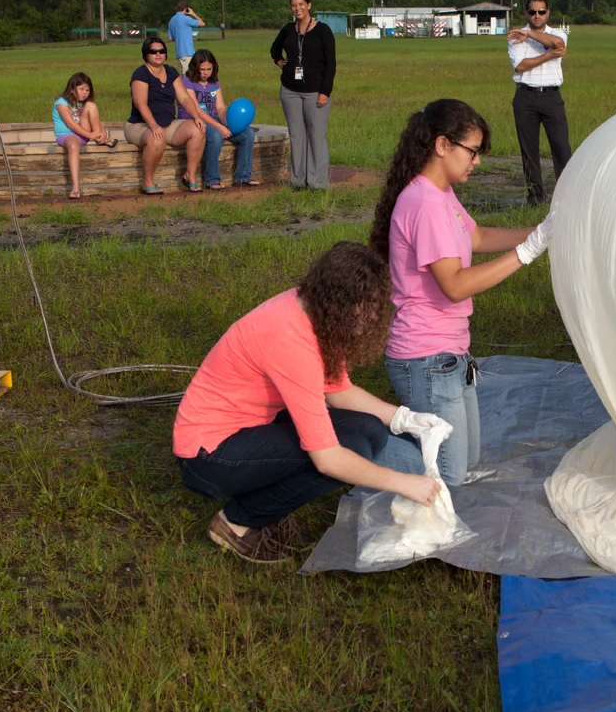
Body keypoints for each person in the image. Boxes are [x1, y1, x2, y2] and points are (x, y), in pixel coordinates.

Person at [175, 241, 453, 563]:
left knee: (371, 432)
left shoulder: (312, 310)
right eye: (367, 308)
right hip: (209, 456)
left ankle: (257, 496)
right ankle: (237, 520)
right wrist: (406, 484)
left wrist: (405, 418)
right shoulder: (292, 343)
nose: (374, 317)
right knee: (348, 456)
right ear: (341, 303)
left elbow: (340, 392)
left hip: (246, 428)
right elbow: (328, 459)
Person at [370, 100, 553, 485]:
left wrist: (542, 232)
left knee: (465, 461)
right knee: (450, 474)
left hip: (449, 353)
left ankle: (412, 449)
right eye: (472, 151)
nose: (477, 162)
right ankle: (352, 449)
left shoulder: (441, 195)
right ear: (442, 145)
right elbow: (454, 284)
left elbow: (478, 236)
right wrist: (526, 253)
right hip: (425, 358)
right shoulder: (424, 204)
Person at [506, 0, 570, 206]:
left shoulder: (556, 32)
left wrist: (530, 35)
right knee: (529, 151)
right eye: (532, 12)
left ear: (547, 13)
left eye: (541, 11)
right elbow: (520, 66)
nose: (537, 16)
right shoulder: (516, 36)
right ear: (526, 13)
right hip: (525, 96)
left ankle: (565, 198)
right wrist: (547, 55)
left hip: (552, 96)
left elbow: (558, 43)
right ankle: (535, 199)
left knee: (561, 148)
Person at [270, 0, 335, 190]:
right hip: (290, 90)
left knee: (316, 135)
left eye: (301, 4)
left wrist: (325, 91)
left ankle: (317, 183)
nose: (297, 8)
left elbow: (331, 64)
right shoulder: (289, 29)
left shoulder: (323, 30)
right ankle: (298, 181)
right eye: (293, 5)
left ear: (309, 5)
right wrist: (279, 61)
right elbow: (274, 48)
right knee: (297, 136)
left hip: (315, 92)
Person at [128, 38, 205, 193]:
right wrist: (154, 126)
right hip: (140, 125)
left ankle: (189, 175)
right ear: (146, 54)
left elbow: (184, 98)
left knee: (199, 129)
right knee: (157, 138)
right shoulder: (141, 74)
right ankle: (147, 181)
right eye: (153, 51)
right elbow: (140, 103)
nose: (158, 54)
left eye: (161, 51)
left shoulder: (171, 72)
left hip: (168, 123)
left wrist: (196, 116)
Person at [180, 48, 259, 189]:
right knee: (215, 136)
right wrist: (219, 127)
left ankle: (243, 176)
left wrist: (227, 123)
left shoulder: (214, 84)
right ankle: (212, 179)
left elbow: (221, 108)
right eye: (202, 69)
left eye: (209, 69)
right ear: (195, 68)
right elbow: (197, 110)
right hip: (193, 121)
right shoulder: (187, 82)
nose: (205, 73)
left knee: (248, 134)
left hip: (213, 120)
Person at [52, 71, 113, 200]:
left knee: (91, 105)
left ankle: (101, 139)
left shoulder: (85, 102)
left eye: (87, 90)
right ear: (72, 89)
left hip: (84, 133)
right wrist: (91, 135)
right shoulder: (61, 101)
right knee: (73, 144)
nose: (84, 93)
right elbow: (71, 124)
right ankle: (75, 186)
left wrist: (102, 132)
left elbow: (94, 120)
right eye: (81, 89)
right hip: (66, 135)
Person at [167, 0, 204, 74]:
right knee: (188, 77)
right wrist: (193, 14)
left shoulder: (172, 20)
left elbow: (170, 38)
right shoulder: (186, 19)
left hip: (179, 53)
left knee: (186, 74)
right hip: (188, 52)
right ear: (186, 9)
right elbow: (202, 23)